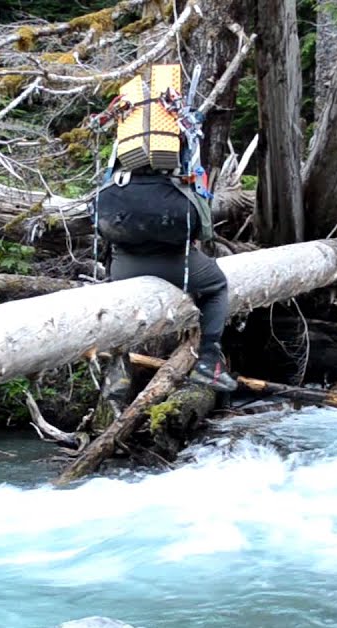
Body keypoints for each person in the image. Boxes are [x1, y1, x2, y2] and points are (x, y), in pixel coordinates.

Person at [90, 64, 238, 393]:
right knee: (216, 288)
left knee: (117, 301)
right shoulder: (181, 130)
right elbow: (199, 201)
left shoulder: (122, 144)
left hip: (124, 263)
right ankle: (209, 362)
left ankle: (118, 366)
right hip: (177, 261)